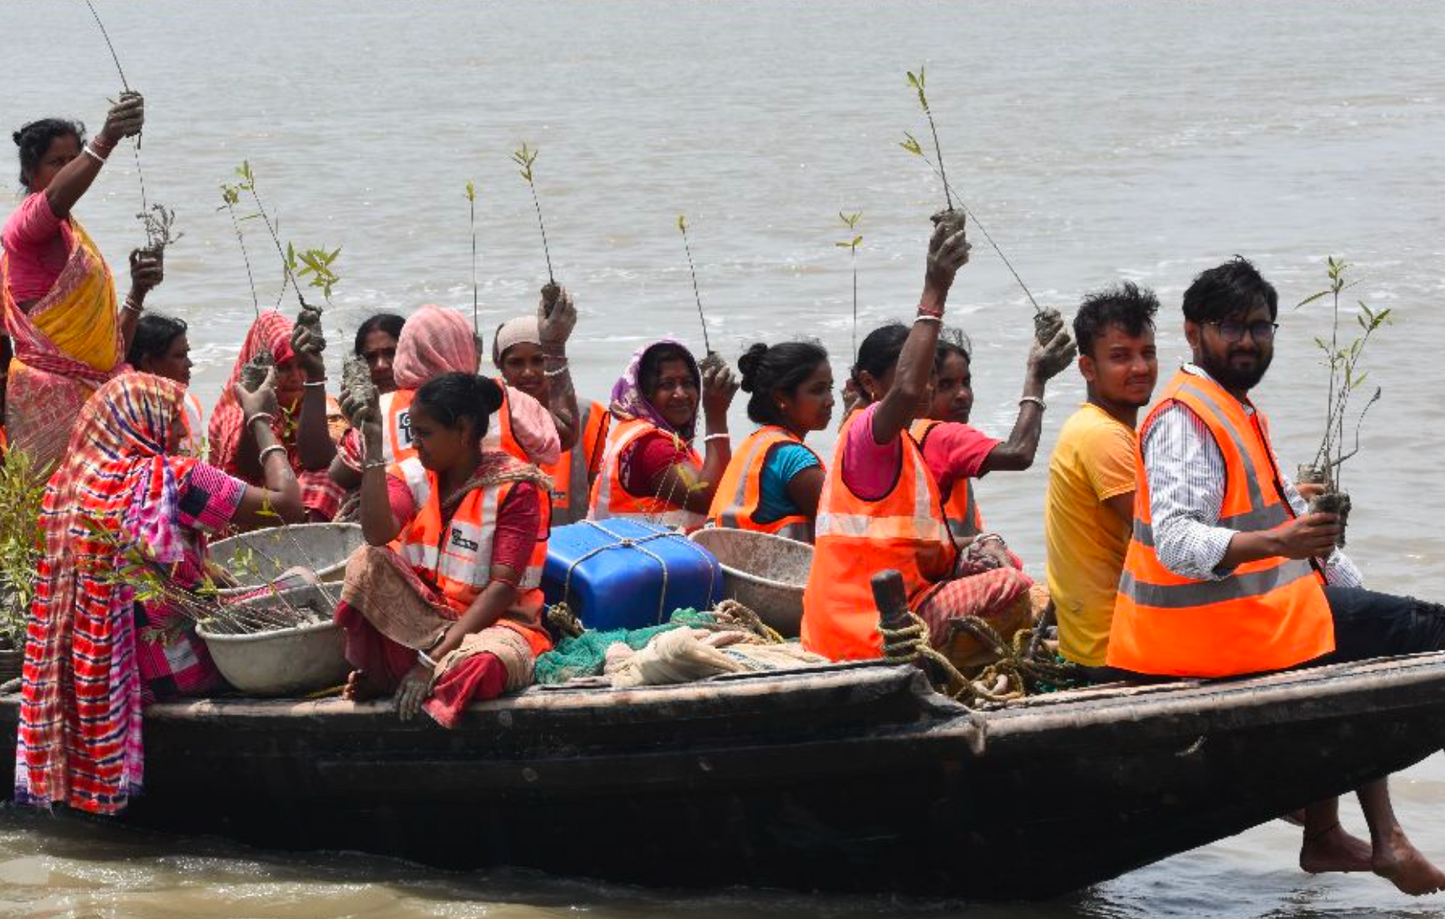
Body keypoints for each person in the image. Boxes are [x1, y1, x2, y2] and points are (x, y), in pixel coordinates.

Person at [1107, 256, 1445, 895]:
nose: (1247, 341)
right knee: (1425, 633)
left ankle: (1337, 834)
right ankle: (1379, 837)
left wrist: (1337, 571)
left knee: (1381, 633)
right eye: (1230, 327)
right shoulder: (1186, 417)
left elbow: (1277, 525)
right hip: (1200, 640)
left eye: (1260, 328)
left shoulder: (1236, 409)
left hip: (1250, 623)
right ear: (1193, 331)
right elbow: (1179, 542)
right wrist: (1282, 538)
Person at [13, 371, 303, 815]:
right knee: (299, 580)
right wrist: (259, 417)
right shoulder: (170, 477)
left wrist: (202, 568)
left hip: (89, 683)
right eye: (171, 421)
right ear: (142, 423)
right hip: (168, 673)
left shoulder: (67, 487)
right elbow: (287, 505)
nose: (180, 433)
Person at [802, 219, 1074, 661]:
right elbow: (907, 391)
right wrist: (935, 288)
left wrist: (981, 546)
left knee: (998, 561)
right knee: (1012, 584)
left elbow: (920, 548)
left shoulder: (906, 443)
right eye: (920, 374)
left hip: (857, 620)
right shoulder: (869, 436)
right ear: (872, 384)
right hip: (867, 632)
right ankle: (966, 669)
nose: (926, 386)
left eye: (932, 376)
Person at [336, 372, 552, 726]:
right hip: (428, 621)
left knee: (480, 668)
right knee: (366, 562)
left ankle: (408, 674)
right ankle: (405, 672)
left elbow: (501, 589)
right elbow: (377, 535)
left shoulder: (517, 488)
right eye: (414, 433)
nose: (416, 444)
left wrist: (429, 662)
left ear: (464, 431)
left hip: (497, 627)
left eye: (425, 434)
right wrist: (372, 449)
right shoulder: (411, 475)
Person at [2, 97, 163, 472]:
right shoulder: (24, 226)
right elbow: (56, 198)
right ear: (29, 174)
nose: (70, 168)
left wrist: (138, 292)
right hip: (51, 400)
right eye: (58, 162)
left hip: (101, 394)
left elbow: (110, 354)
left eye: (75, 159)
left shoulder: (73, 238)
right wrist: (105, 139)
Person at [1044, 283, 1158, 667]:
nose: (1140, 368)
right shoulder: (1102, 436)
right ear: (1088, 367)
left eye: (1148, 353)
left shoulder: (1100, 426)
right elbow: (1168, 538)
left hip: (1094, 640)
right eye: (1121, 357)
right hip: (1112, 648)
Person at [329, 304, 559, 494]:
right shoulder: (508, 398)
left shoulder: (381, 407)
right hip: (505, 520)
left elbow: (339, 475)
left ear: (406, 352)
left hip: (407, 536)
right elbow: (552, 447)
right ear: (465, 347)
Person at [913, 322, 1073, 540]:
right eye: (946, 385)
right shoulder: (943, 436)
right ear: (924, 389)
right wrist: (1036, 378)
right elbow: (1018, 453)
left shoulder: (908, 432)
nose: (963, 395)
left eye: (966, 382)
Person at [209, 311, 342, 525]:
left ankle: (309, 541)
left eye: (302, 366)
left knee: (332, 474)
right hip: (257, 513)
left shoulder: (322, 403)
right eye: (284, 368)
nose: (296, 377)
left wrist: (316, 376)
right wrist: (256, 413)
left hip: (301, 513)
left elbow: (319, 459)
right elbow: (248, 468)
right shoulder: (235, 410)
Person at [589, 340, 738, 531]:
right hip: (644, 556)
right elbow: (709, 499)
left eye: (688, 383)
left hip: (623, 552)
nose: (681, 394)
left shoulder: (636, 429)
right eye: (667, 385)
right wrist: (716, 417)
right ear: (645, 394)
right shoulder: (655, 447)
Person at [493, 289, 607, 525]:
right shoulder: (492, 416)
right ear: (500, 368)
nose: (528, 372)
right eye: (516, 363)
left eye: (539, 360)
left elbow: (600, 490)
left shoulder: (588, 414)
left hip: (576, 545)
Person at [707, 340, 832, 542]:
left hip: (732, 566)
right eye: (818, 390)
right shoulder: (793, 457)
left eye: (830, 388)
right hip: (772, 573)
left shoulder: (757, 443)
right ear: (781, 398)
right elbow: (841, 526)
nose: (830, 400)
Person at [126, 312, 207, 458]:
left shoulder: (191, 405)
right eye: (179, 356)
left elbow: (197, 462)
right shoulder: (131, 417)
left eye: (187, 354)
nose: (189, 364)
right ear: (148, 362)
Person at [354, 312, 405, 395]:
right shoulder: (345, 406)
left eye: (391, 353)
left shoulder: (431, 404)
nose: (380, 366)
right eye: (370, 357)